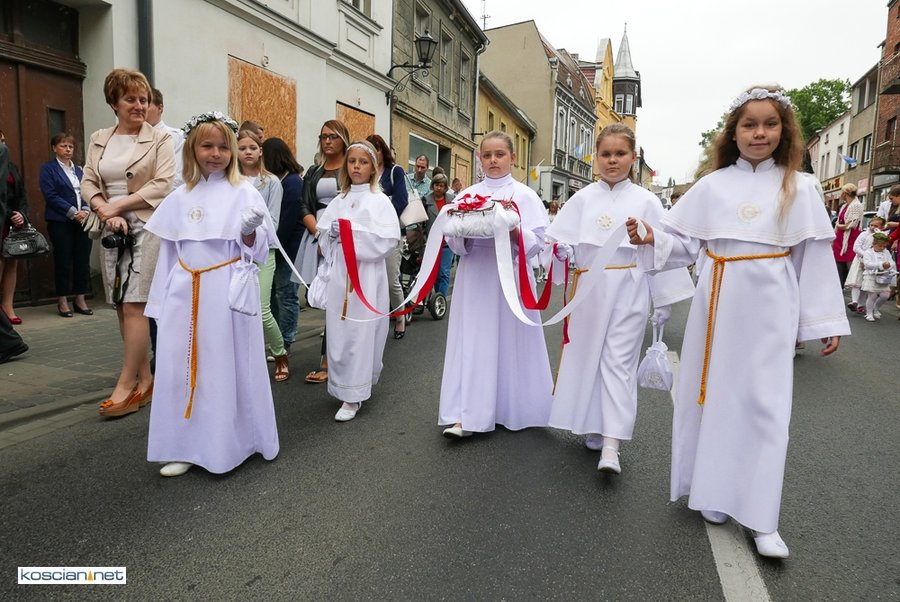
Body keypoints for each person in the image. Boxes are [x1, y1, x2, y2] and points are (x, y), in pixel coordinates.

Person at [626, 85, 850, 559]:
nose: (759, 133)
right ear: (734, 133)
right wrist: (650, 238)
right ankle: (713, 492)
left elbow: (813, 258)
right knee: (713, 397)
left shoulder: (800, 187)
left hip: (771, 305)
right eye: (750, 124)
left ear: (784, 131)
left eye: (770, 124)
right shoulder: (712, 186)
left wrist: (823, 320)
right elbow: (685, 246)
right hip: (718, 301)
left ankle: (763, 519)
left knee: (767, 406)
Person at [547, 123, 694, 475]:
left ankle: (612, 443)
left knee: (618, 361)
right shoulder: (582, 198)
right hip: (588, 290)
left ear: (632, 158)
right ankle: (593, 424)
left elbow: (663, 248)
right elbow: (558, 242)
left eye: (620, 154)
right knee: (588, 357)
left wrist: (663, 300)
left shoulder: (646, 201)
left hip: (629, 286)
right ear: (596, 157)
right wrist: (562, 252)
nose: (612, 160)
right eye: (606, 154)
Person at [144, 111, 279, 477]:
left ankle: (232, 443)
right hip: (184, 292)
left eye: (223, 147)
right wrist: (160, 303)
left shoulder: (244, 192)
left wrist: (249, 233)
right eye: (207, 146)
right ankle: (186, 446)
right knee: (183, 368)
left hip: (225, 293)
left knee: (223, 367)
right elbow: (169, 255)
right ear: (192, 149)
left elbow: (258, 252)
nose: (216, 154)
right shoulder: (180, 197)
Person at [438, 131, 553, 438]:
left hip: (510, 275)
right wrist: (462, 235)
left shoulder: (525, 196)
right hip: (476, 274)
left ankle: (511, 407)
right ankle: (467, 414)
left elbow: (538, 242)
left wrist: (513, 233)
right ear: (480, 158)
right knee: (474, 339)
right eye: (487, 155)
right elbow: (452, 238)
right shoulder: (466, 195)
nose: (492, 160)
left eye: (499, 154)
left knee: (510, 338)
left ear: (512, 157)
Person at [82, 68, 175, 418]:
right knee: (121, 305)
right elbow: (88, 182)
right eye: (130, 99)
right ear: (114, 102)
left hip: (146, 224)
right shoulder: (99, 138)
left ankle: (125, 384)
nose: (139, 105)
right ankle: (145, 380)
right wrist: (105, 211)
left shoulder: (160, 139)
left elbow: (162, 184)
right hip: (110, 226)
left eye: (144, 99)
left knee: (136, 304)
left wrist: (117, 207)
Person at [315, 140, 399, 421]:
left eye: (363, 162)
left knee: (361, 332)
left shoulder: (379, 200)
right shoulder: (339, 199)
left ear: (373, 167)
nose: (356, 167)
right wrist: (331, 234)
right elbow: (323, 237)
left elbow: (387, 240)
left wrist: (352, 234)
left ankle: (355, 395)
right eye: (352, 162)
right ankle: (342, 386)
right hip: (341, 274)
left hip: (366, 275)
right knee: (339, 331)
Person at [296, 120, 350, 383]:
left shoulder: (352, 168)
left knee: (340, 297)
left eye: (333, 136)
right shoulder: (314, 171)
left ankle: (330, 359)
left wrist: (335, 237)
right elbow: (304, 205)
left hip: (345, 238)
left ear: (343, 140)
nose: (327, 141)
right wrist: (319, 234)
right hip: (318, 237)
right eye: (323, 136)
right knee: (327, 298)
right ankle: (331, 356)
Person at [238, 129, 288, 381]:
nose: (247, 152)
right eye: (242, 148)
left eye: (252, 147)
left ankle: (280, 354)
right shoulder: (230, 181)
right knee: (237, 308)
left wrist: (248, 230)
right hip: (236, 251)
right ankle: (247, 358)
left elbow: (273, 222)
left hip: (264, 251)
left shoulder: (271, 182)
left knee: (262, 309)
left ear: (260, 151)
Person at [39, 132, 93, 317]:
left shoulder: (79, 170)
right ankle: (62, 300)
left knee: (82, 260)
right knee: (63, 260)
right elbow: (51, 195)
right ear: (54, 148)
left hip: (83, 221)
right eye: (63, 146)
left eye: (70, 146)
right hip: (61, 221)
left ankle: (80, 298)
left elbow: (88, 191)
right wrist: (72, 212)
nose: (68, 149)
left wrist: (85, 210)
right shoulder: (48, 169)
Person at [261, 137, 304, 354]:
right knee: (274, 296)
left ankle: (286, 339)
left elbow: (285, 222)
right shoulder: (277, 181)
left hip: (289, 250)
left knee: (286, 294)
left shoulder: (293, 183)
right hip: (277, 247)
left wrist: (270, 245)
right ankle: (277, 338)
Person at [366, 134, 409, 339]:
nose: (374, 153)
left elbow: (401, 201)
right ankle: (377, 319)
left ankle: (400, 317)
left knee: (392, 280)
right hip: (369, 235)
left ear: (383, 150)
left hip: (390, 233)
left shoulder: (395, 171)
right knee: (372, 281)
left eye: (377, 148)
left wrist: (378, 214)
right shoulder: (367, 172)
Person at [0, 139, 28, 364]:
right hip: (6, 219)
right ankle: (9, 341)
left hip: (7, 223)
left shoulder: (5, 157)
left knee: (11, 266)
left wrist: (19, 214)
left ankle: (9, 340)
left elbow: (11, 194)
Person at [422, 173, 456, 297]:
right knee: (434, 272)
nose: (439, 188)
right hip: (432, 242)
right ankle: (437, 298)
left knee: (444, 273)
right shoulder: (426, 200)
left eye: (442, 185)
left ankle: (441, 299)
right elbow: (422, 222)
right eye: (436, 185)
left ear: (446, 187)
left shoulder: (452, 200)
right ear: (432, 185)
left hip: (447, 242)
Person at [846, 215, 885, 313]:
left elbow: (883, 247)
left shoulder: (881, 236)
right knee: (857, 281)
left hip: (873, 262)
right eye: (871, 225)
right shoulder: (864, 234)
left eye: (876, 226)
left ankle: (860, 304)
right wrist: (865, 256)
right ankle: (854, 302)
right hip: (860, 260)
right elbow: (856, 247)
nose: (873, 227)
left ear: (881, 227)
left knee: (865, 283)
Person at [147, 88, 185, 189]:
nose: (140, 108)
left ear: (160, 108)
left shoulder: (177, 137)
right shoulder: (127, 137)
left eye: (146, 103)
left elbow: (177, 178)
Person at [832, 183, 862, 285]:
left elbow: (850, 225)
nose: (840, 194)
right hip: (840, 240)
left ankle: (853, 287)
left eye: (842, 192)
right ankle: (838, 287)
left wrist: (838, 225)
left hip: (850, 240)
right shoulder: (845, 205)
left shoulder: (856, 205)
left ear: (846, 193)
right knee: (838, 267)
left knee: (850, 266)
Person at [861, 232, 896, 321]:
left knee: (885, 295)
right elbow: (867, 264)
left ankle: (876, 308)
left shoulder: (886, 252)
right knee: (872, 296)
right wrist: (881, 264)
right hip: (871, 275)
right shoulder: (868, 252)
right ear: (874, 244)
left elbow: (891, 262)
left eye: (884, 246)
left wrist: (889, 265)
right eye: (880, 246)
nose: (882, 248)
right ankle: (869, 313)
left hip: (883, 276)